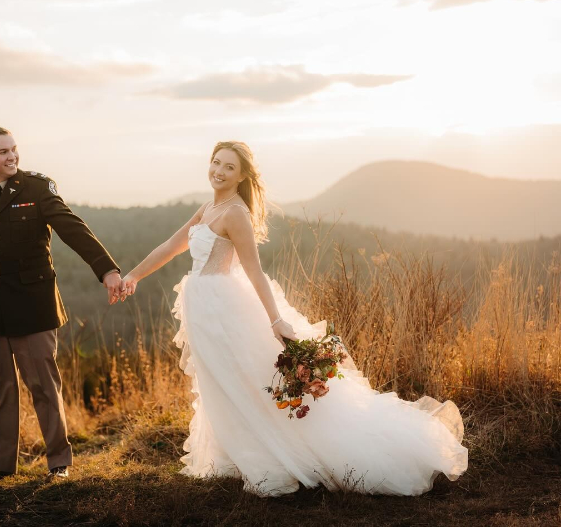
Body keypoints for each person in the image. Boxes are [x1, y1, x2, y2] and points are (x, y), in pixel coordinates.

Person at [120, 141, 468, 496]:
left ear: (241, 177)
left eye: (228, 167)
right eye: (215, 162)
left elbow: (255, 271)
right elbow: (169, 246)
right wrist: (132, 276)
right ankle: (234, 453)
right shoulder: (209, 207)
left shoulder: (234, 213)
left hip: (226, 310)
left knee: (245, 383)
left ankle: (273, 456)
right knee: (221, 385)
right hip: (204, 309)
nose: (218, 171)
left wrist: (275, 321)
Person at [0, 126, 124, 480]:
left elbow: (72, 227)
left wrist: (106, 269)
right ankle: (0, 467)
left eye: (14, 149)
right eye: (3, 152)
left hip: (34, 306)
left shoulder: (37, 187)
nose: (12, 156)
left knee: (45, 388)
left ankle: (59, 463)